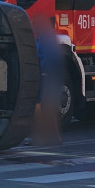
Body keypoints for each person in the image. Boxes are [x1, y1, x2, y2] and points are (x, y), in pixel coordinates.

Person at [31, 14, 63, 146]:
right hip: (48, 75)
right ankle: (56, 137)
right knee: (48, 107)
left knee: (37, 106)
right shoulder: (47, 38)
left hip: (45, 75)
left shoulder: (44, 39)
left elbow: (47, 58)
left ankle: (40, 136)